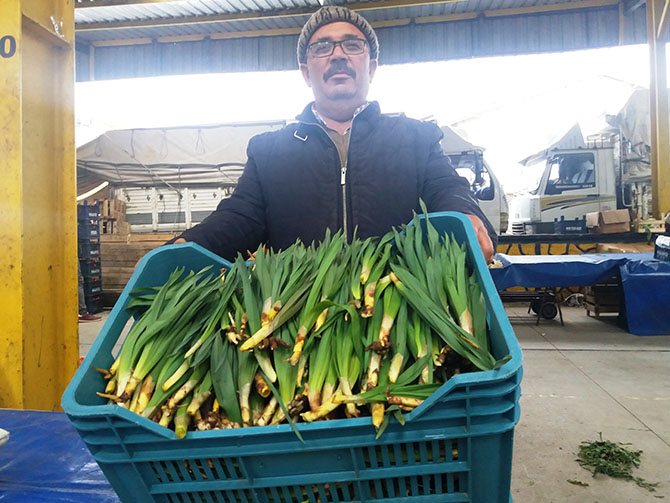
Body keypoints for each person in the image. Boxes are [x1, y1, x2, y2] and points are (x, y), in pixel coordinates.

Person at [171, 6, 496, 263]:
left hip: (397, 316)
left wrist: (464, 215)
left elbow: (448, 189)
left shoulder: (416, 138)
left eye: (352, 45)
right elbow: (239, 217)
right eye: (322, 47)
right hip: (303, 327)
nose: (338, 54)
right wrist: (189, 244)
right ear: (305, 72)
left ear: (370, 68)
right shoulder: (269, 152)